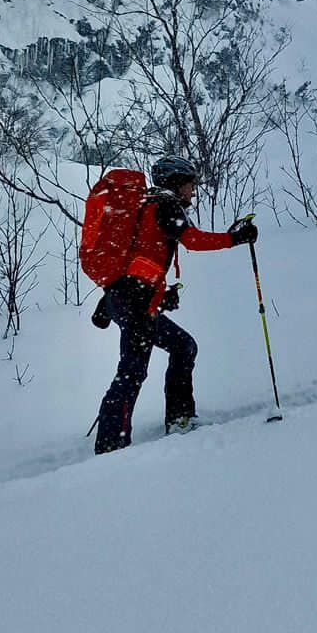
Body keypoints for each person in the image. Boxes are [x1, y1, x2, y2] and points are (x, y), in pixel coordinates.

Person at [93, 155, 257, 453]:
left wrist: (154, 294)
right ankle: (110, 445)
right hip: (135, 304)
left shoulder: (147, 204)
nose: (193, 190)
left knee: (182, 347)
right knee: (132, 372)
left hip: (127, 299)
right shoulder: (166, 206)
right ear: (175, 182)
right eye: (189, 184)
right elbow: (192, 240)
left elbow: (140, 255)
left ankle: (178, 418)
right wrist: (234, 239)